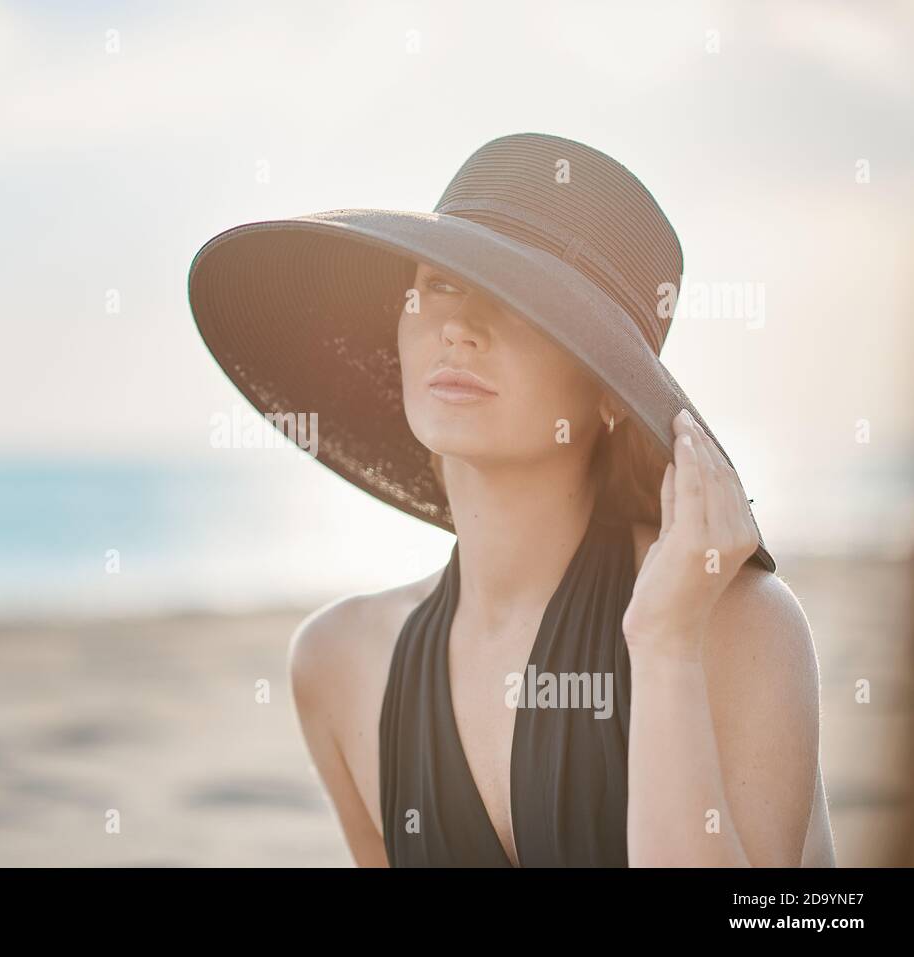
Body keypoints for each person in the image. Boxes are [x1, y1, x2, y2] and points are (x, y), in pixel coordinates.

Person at [187, 132, 836, 866]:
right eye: (439, 283)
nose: (460, 327)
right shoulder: (340, 661)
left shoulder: (737, 625)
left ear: (611, 392)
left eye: (523, 301)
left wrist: (662, 648)